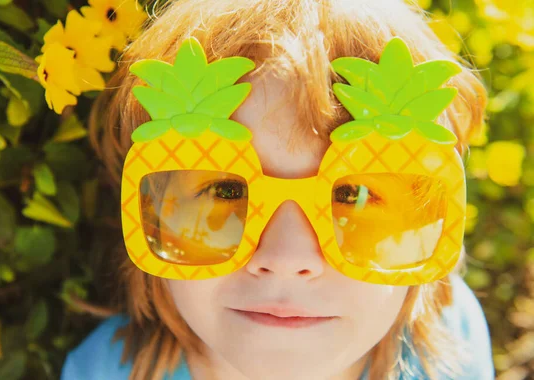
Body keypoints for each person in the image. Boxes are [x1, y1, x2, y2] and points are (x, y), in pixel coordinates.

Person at [61, 0, 494, 379]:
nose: (287, 260)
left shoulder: (451, 347)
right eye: (222, 192)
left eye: (356, 196)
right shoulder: (102, 373)